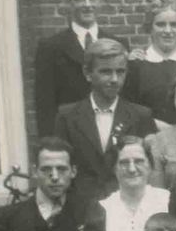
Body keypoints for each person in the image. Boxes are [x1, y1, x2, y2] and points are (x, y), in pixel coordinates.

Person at [54, 39, 158, 202]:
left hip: (127, 205)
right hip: (81, 206)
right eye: (106, 72)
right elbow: (60, 166)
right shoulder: (67, 116)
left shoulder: (141, 116)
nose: (114, 79)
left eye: (120, 72)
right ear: (87, 73)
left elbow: (150, 169)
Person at [34, 0, 124, 136]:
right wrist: (51, 144)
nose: (88, 5)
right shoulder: (51, 48)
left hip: (112, 133)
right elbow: (45, 105)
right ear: (68, 3)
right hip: (70, 135)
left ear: (100, 1)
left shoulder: (118, 43)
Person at [122, 0, 176, 125]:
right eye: (160, 24)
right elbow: (128, 111)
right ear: (150, 27)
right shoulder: (136, 67)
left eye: (174, 25)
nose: (168, 31)